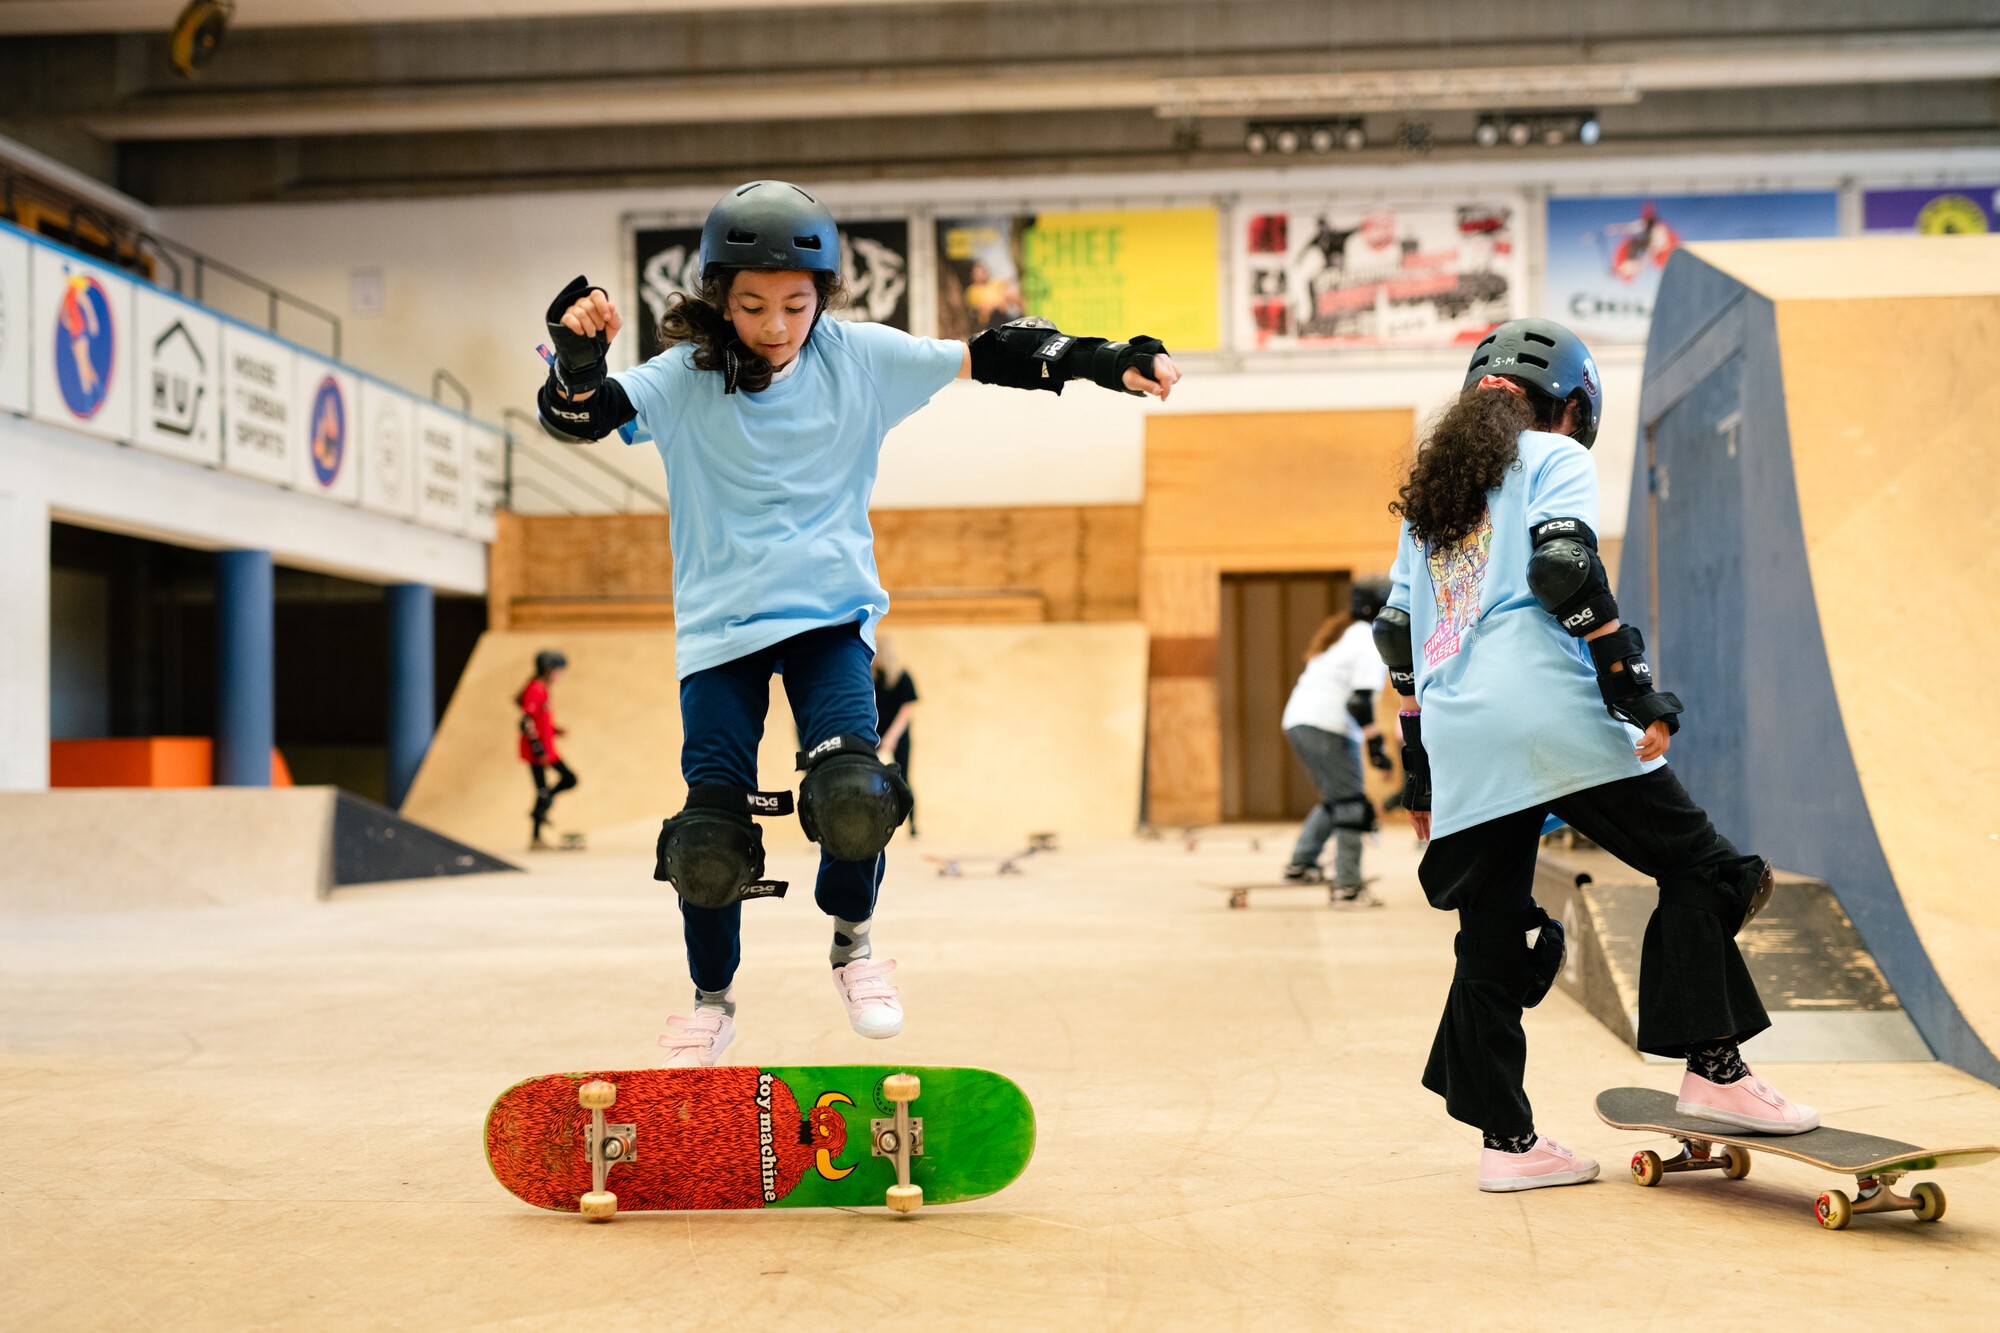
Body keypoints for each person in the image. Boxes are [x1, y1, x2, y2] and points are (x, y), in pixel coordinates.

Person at [534, 179, 1179, 1067]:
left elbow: (993, 352)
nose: (775, 324)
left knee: (854, 797)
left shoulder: (859, 359)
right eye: (752, 304)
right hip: (720, 632)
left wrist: (1107, 360)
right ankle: (711, 1001)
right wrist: (574, 363)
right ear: (720, 297)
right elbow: (585, 418)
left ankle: (854, 948)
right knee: (710, 841)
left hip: (830, 618)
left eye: (796, 304)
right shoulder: (684, 379)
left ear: (824, 295)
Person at [1375, 316, 1812, 1194]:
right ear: (1572, 406)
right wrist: (1630, 687)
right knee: (1707, 867)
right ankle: (1714, 1070)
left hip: (1463, 733)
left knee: (1491, 937)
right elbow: (1566, 570)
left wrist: (1423, 772)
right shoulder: (1552, 454)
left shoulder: (1434, 503)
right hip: (1550, 711)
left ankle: (1508, 1143)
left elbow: (1398, 637)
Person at [1279, 581, 1395, 899]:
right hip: (1324, 725)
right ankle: (1348, 886)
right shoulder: (1368, 639)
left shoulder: (1346, 633)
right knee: (1351, 804)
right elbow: (1358, 703)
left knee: (1337, 797)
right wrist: (1376, 749)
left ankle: (1300, 865)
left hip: (1301, 721)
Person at [518, 649, 578, 850]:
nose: (561, 675)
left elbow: (539, 720)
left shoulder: (541, 688)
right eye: (559, 671)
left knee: (552, 787)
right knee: (560, 783)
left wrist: (554, 730)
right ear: (548, 669)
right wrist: (538, 750)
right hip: (539, 752)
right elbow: (526, 722)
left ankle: (539, 816)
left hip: (547, 748)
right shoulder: (535, 688)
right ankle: (536, 834)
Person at [872, 635, 919, 838]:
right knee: (870, 779)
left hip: (898, 736)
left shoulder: (902, 677)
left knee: (904, 779)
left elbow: (906, 711)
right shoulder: (870, 678)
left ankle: (913, 826)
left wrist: (891, 737)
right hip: (873, 734)